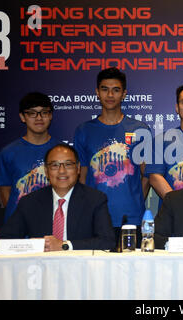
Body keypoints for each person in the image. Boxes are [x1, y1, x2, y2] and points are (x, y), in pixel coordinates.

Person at [73, 67, 151, 245]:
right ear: (97, 92)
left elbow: (146, 175)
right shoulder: (84, 131)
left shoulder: (140, 129)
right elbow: (82, 177)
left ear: (123, 94)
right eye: (104, 89)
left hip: (131, 218)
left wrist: (135, 201)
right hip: (95, 217)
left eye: (116, 90)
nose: (110, 94)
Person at [0, 144, 116, 251]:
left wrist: (64, 246)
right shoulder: (30, 202)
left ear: (78, 169)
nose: (62, 171)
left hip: (80, 269)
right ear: (46, 171)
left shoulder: (95, 199)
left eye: (68, 164)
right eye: (55, 165)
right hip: (40, 270)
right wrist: (34, 246)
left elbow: (108, 242)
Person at [0, 92, 60, 223]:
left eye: (44, 112)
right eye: (32, 113)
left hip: (54, 223)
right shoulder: (8, 152)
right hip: (19, 226)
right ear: (22, 117)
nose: (39, 118)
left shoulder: (63, 152)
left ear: (50, 115)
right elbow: (5, 193)